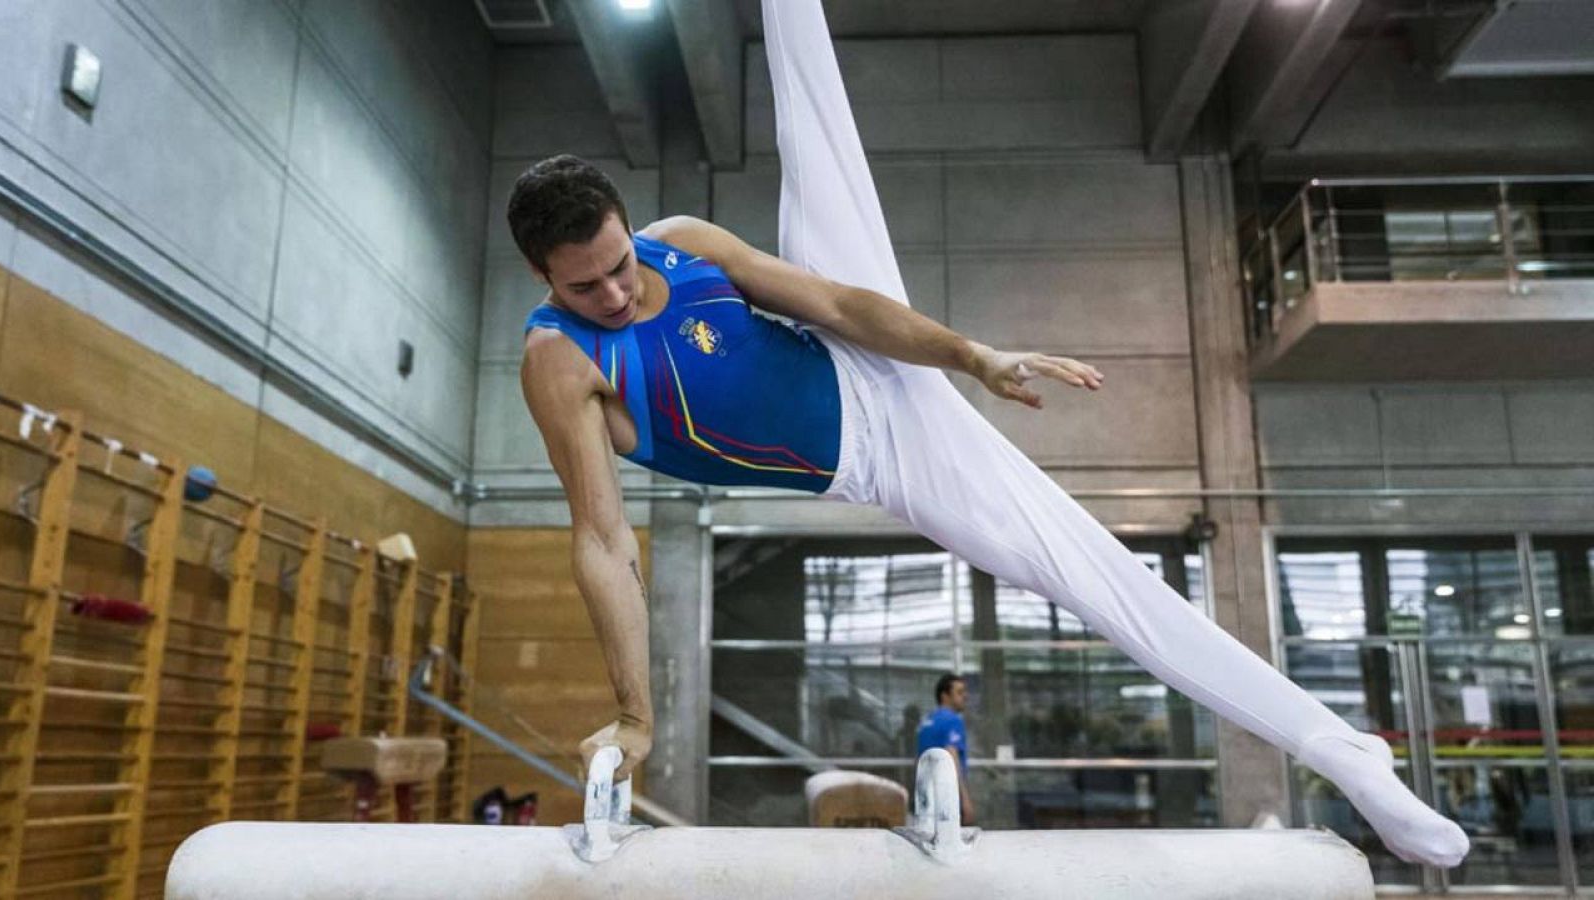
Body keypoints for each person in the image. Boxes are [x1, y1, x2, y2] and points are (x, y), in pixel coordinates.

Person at [511, 0, 1468, 869]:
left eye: (620, 266)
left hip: (863, 351)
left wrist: (973, 357)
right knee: (1097, 581)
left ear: (630, 228)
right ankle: (1343, 749)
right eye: (584, 286)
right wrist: (635, 717)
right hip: (890, 459)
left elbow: (843, 300)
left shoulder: (686, 239)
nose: (616, 294)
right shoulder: (559, 361)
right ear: (542, 278)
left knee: (818, 122)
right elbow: (601, 538)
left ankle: (1348, 758)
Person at [916, 674, 975, 825]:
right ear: (945, 696)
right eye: (960, 692)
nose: (965, 696)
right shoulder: (953, 720)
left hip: (926, 799)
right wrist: (965, 800)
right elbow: (952, 755)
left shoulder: (926, 722)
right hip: (947, 801)